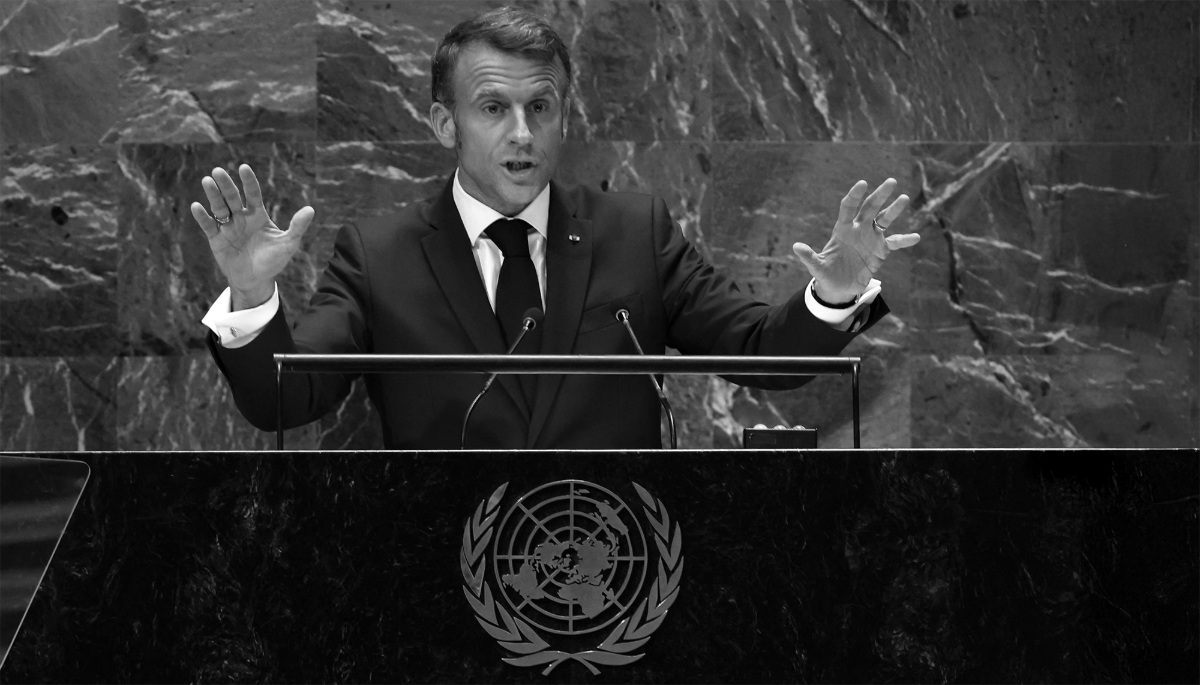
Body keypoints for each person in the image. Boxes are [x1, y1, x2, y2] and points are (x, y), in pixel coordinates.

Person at [191, 7, 919, 450]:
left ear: (564, 118)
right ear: (445, 122)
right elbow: (286, 401)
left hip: (619, 569)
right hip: (439, 582)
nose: (522, 132)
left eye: (541, 108)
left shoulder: (635, 232)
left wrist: (836, 294)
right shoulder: (379, 255)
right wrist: (253, 295)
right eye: (493, 108)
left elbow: (765, 358)